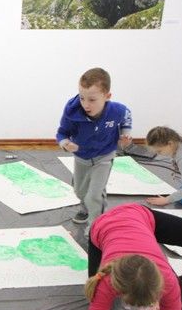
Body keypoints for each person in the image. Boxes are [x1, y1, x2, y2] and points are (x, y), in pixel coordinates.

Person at [56, 67, 132, 232]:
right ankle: (85, 209)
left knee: (95, 195)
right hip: (81, 157)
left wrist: (125, 133)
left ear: (107, 96)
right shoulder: (72, 111)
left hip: (104, 156)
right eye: (82, 98)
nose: (85, 104)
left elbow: (127, 115)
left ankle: (97, 227)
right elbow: (62, 133)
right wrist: (65, 143)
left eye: (92, 100)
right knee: (80, 191)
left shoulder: (117, 110)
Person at [145, 126, 182, 207]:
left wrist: (167, 199)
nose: (158, 154)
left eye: (159, 151)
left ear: (170, 144)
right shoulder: (181, 145)